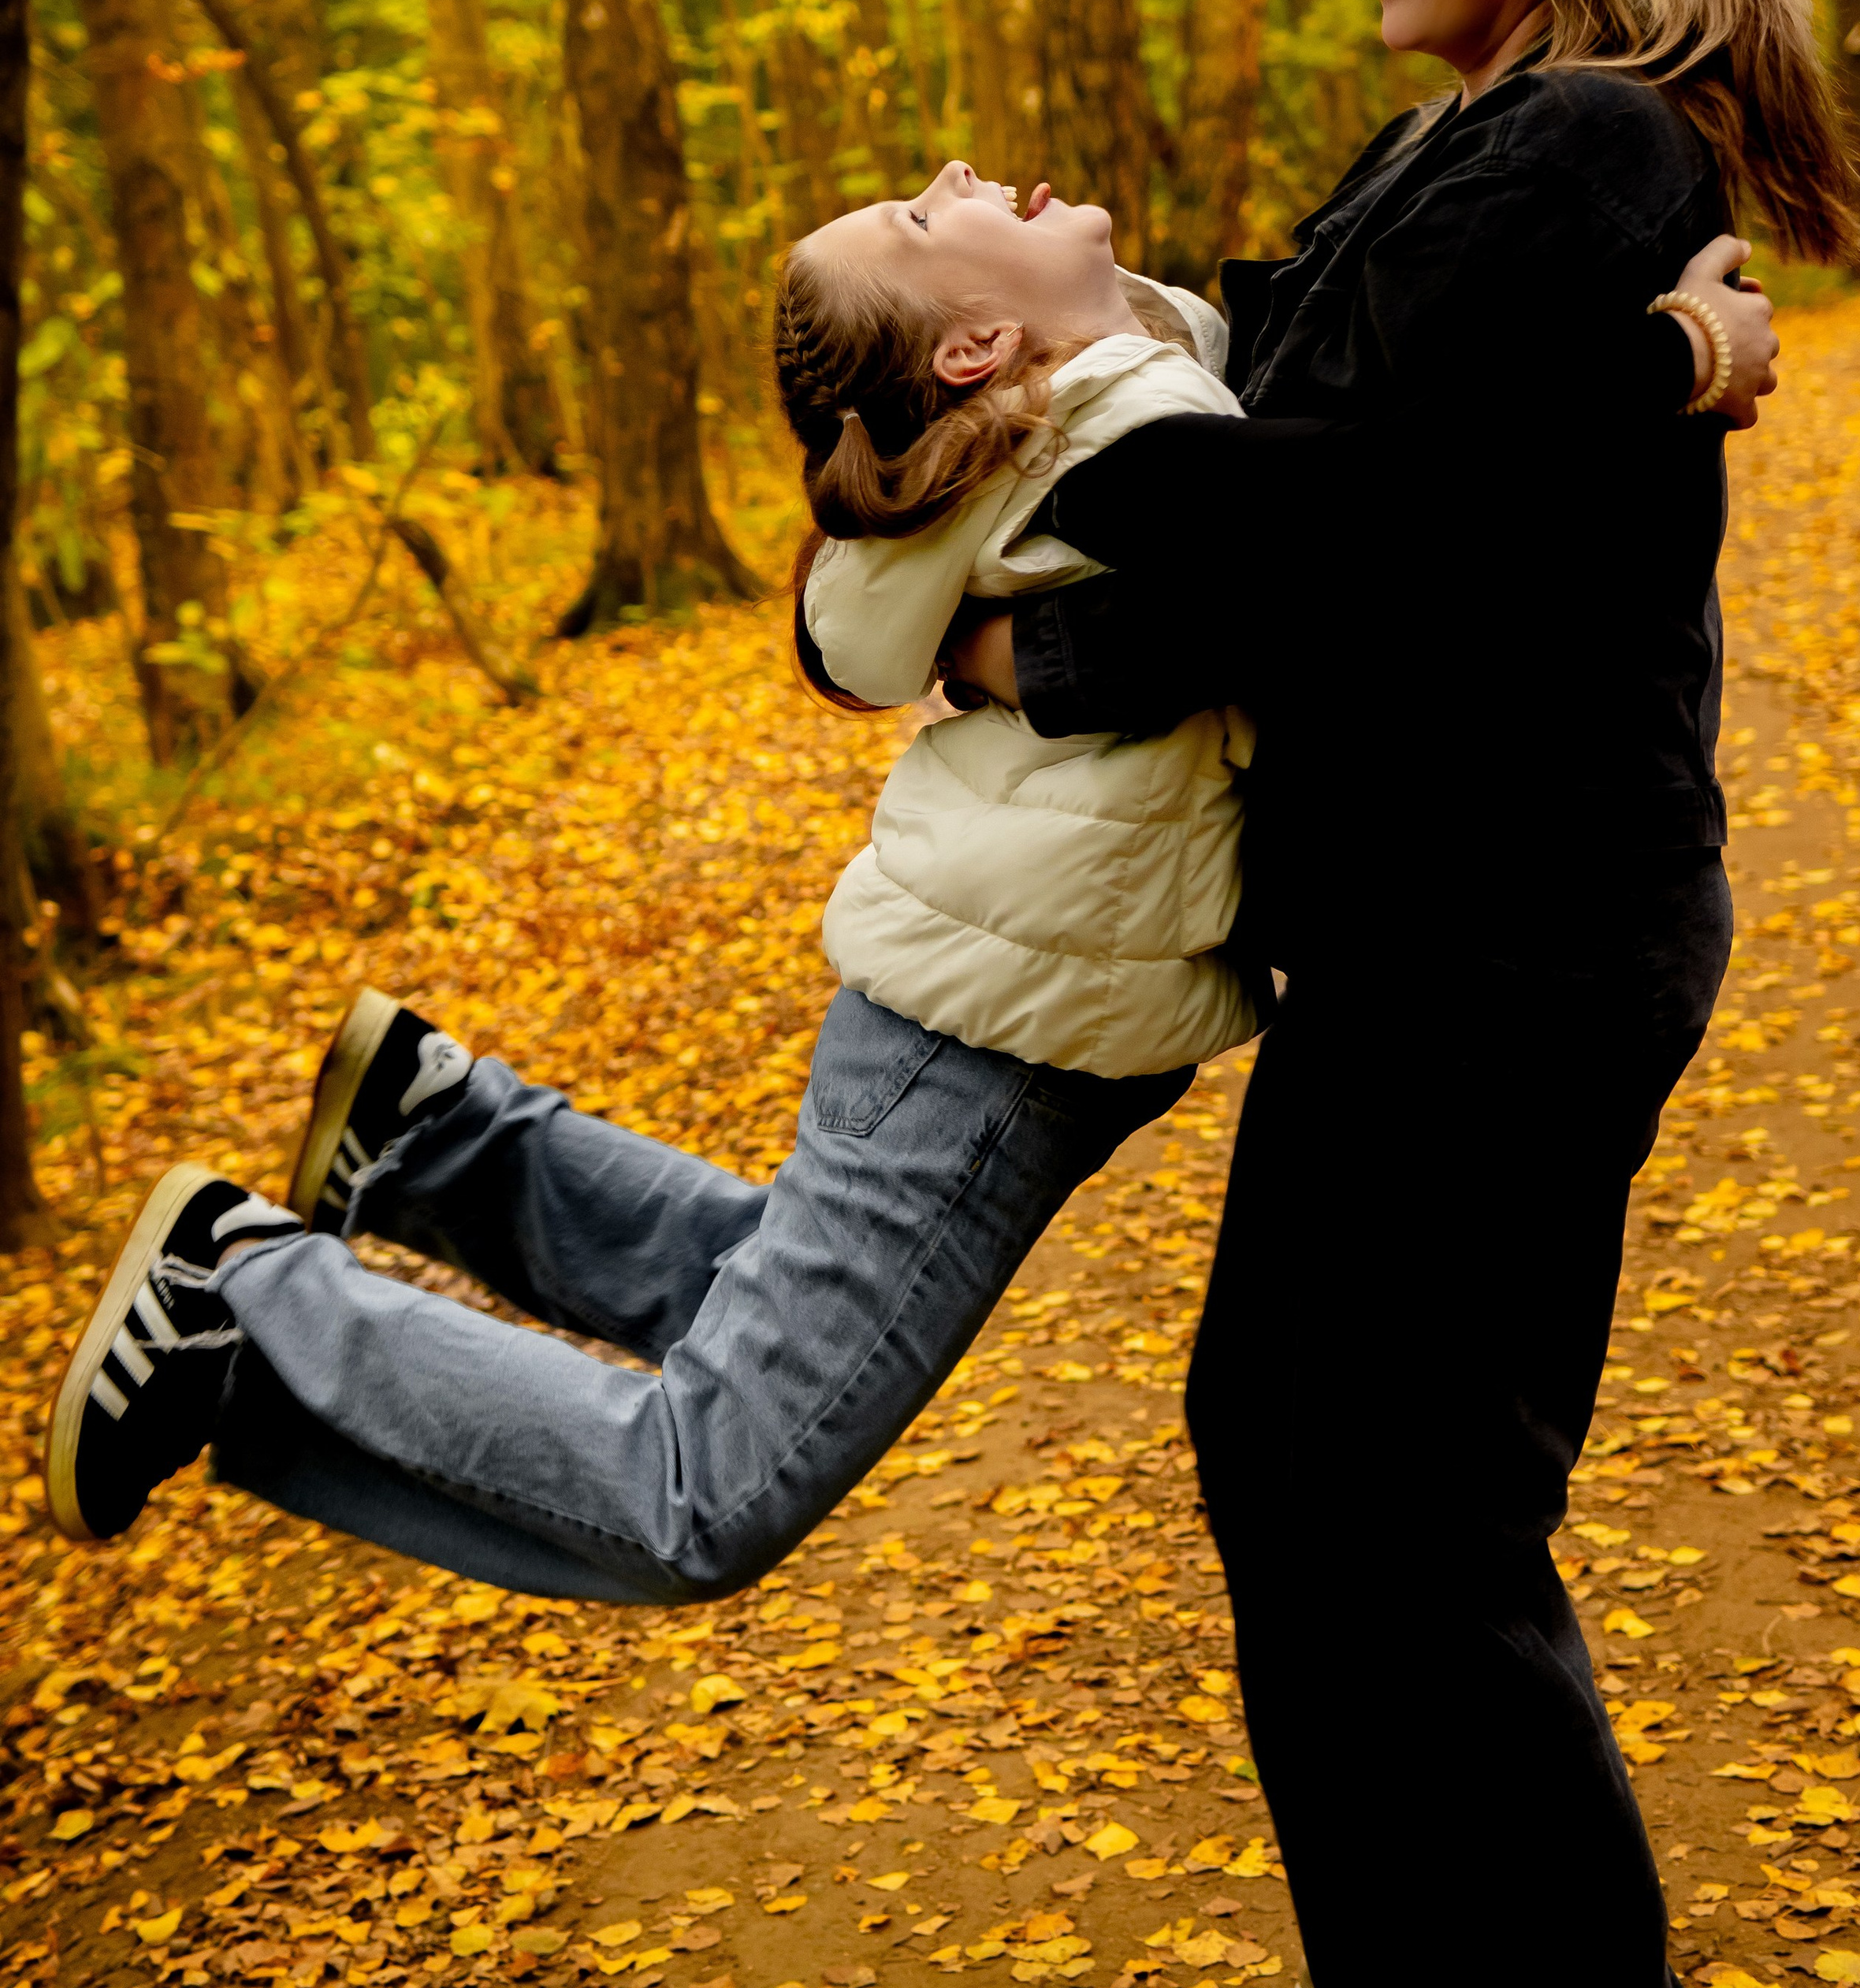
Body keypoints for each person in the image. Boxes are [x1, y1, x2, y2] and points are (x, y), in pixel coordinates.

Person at [943, 0, 1860, 1988]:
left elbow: (1332, 510)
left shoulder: (1579, 140)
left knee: (1410, 1494)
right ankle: (1429, 1960)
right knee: (1289, 1434)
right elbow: (1308, 353)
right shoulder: (1473, 152)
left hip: (1518, 933)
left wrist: (1041, 642)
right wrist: (1021, 361)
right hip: (1447, 926)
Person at [43, 167, 1255, 1589]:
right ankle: (244, 1302)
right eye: (923, 223)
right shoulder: (1134, 440)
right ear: (972, 348)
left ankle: (447, 1138)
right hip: (1001, 1025)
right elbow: (1285, 533)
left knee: (763, 1291)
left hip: (1000, 999)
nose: (951, 178)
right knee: (704, 1489)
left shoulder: (1066, 420)